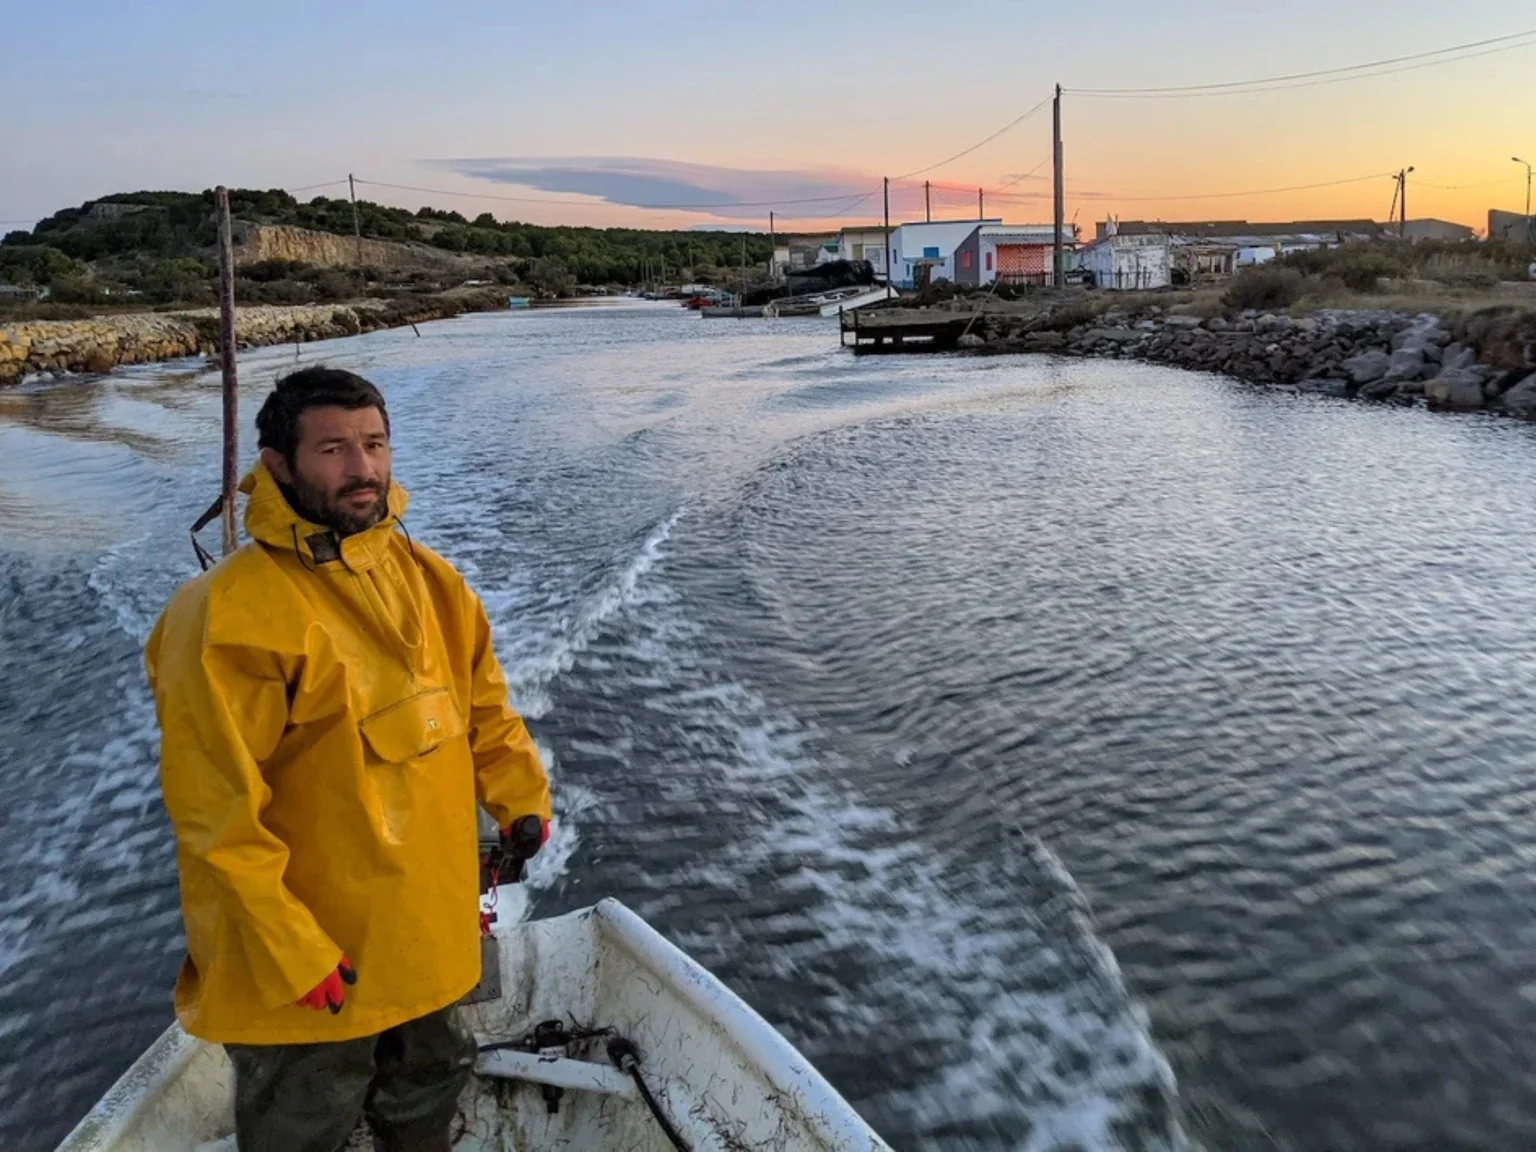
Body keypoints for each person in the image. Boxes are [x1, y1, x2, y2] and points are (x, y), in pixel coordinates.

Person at [145, 366, 552, 1152]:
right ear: (276, 464)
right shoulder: (225, 617)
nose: (362, 468)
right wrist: (292, 949)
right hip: (312, 952)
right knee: (306, 1120)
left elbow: (485, 711)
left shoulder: (430, 581)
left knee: (430, 1080)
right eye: (333, 449)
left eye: (374, 444)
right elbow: (214, 814)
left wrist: (520, 798)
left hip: (427, 930)